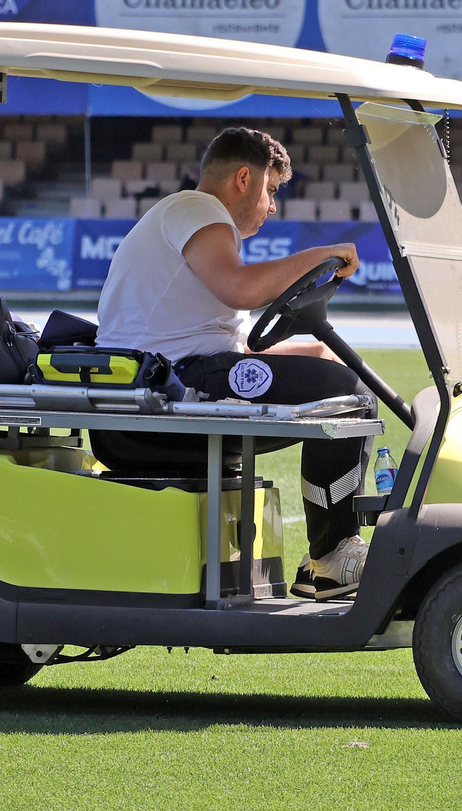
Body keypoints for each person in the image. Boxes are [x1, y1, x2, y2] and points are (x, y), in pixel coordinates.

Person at [96, 127, 371, 600]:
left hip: (176, 377)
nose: (272, 207)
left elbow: (237, 346)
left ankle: (331, 552)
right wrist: (320, 254)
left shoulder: (193, 223)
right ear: (244, 178)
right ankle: (330, 556)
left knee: (338, 373)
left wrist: (317, 353)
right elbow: (240, 288)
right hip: (168, 387)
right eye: (272, 190)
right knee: (344, 394)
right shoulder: (198, 210)